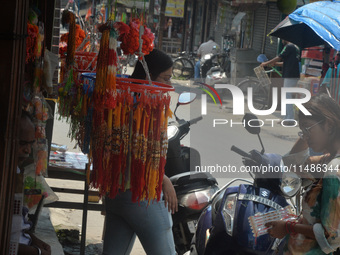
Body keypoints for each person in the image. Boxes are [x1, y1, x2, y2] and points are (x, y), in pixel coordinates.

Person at [102, 49, 177, 255]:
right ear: (148, 75)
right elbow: (139, 152)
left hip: (115, 194)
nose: (168, 85)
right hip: (140, 196)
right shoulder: (144, 106)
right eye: (165, 78)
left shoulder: (121, 99)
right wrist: (164, 179)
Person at [266, 93, 340, 254]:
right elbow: (293, 164)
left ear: (330, 124)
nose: (305, 136)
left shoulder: (335, 169)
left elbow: (332, 236)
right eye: (302, 131)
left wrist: (288, 227)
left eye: (307, 128)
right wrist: (309, 131)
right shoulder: (327, 161)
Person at [10, 110, 51, 255]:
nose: (27, 150)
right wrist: (37, 252)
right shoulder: (7, 178)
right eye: (22, 143)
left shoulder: (15, 172)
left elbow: (18, 227)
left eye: (30, 143)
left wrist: (35, 241)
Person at [261, 40, 300, 125]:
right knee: (286, 96)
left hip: (290, 75)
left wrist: (266, 63)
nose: (282, 41)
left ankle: (289, 119)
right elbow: (285, 63)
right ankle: (286, 117)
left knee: (287, 96)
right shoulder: (295, 47)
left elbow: (279, 57)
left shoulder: (288, 46)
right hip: (293, 75)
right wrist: (275, 64)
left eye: (282, 39)